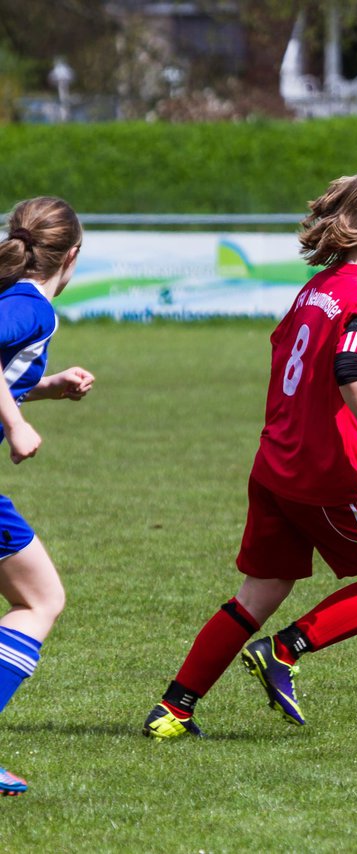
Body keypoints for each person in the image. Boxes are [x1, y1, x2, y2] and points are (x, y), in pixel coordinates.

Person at [145, 172, 357, 738]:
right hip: (328, 475)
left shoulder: (317, 288)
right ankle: (285, 651)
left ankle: (172, 709)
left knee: (261, 591)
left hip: (275, 464)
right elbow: (352, 369)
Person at [0, 197, 96, 794]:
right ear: (73, 256)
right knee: (41, 598)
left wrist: (45, 390)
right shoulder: (30, 307)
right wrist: (16, 426)